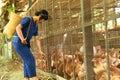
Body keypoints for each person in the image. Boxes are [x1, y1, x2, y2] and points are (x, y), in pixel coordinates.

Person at [12, 9, 48, 80]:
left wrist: (40, 51)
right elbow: (18, 28)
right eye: (43, 20)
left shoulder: (36, 26)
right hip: (18, 41)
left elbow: (37, 39)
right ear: (40, 17)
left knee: (26, 59)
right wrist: (22, 38)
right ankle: (33, 77)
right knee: (30, 59)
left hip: (24, 43)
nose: (42, 22)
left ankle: (26, 78)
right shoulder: (28, 19)